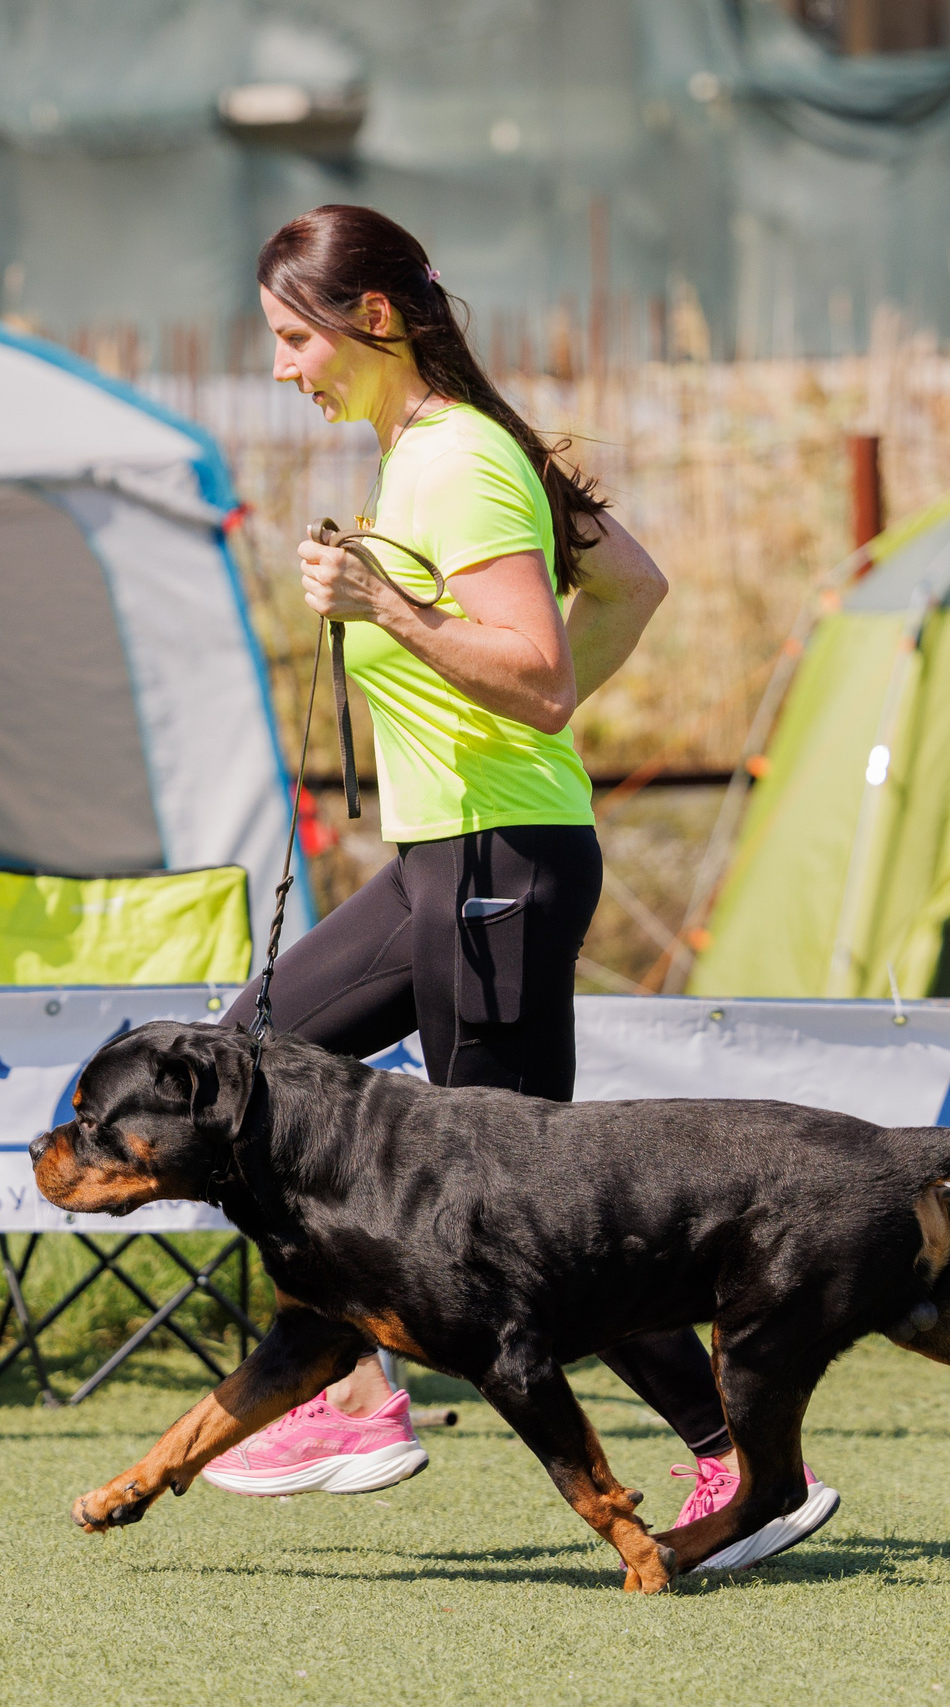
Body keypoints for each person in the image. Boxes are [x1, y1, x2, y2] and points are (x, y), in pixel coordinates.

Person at [198, 204, 838, 1563]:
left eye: (290, 338)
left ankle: (742, 1464)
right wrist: (492, 702)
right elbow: (636, 582)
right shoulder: (437, 452)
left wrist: (395, 614)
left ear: (372, 321)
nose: (279, 369)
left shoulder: (460, 461)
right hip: (459, 857)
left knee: (521, 1208)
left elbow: (540, 672)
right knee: (238, 1068)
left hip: (498, 865)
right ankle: (356, 1388)